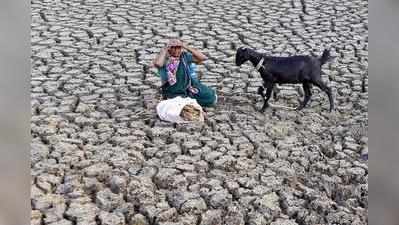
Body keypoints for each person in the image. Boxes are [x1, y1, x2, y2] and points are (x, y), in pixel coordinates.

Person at [153, 39, 217, 107]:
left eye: (178, 48)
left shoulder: (184, 56)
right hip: (172, 90)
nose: (176, 51)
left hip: (187, 87)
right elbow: (158, 64)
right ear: (169, 49)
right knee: (180, 103)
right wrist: (164, 50)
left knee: (208, 95)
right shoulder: (164, 59)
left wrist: (186, 47)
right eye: (173, 48)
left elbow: (203, 58)